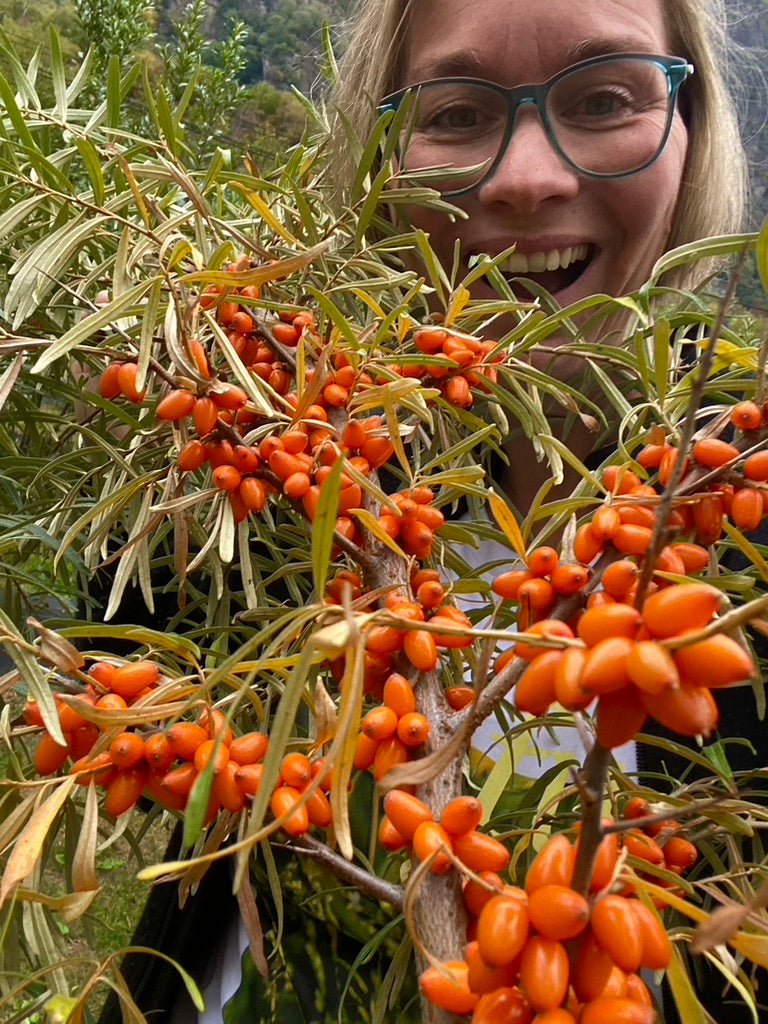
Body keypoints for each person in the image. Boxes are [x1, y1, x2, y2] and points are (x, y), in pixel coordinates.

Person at [103, 1, 759, 1021]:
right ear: (381, 159)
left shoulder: (732, 487)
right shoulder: (284, 452)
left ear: (693, 128)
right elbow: (121, 677)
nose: (526, 178)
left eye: (604, 99)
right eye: (454, 113)